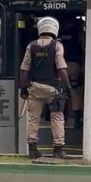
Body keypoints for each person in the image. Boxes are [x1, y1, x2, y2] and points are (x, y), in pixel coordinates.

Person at [19, 16, 72, 159]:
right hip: (53, 89)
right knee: (57, 118)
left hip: (35, 88)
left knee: (33, 118)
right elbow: (61, 69)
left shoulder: (31, 46)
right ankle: (58, 149)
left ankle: (32, 148)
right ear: (55, 29)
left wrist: (23, 88)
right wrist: (67, 87)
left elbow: (24, 69)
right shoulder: (57, 45)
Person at [59, 16, 85, 129]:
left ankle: (60, 119)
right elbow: (84, 48)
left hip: (62, 66)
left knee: (61, 93)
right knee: (75, 93)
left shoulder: (60, 34)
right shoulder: (79, 34)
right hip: (75, 65)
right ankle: (76, 121)